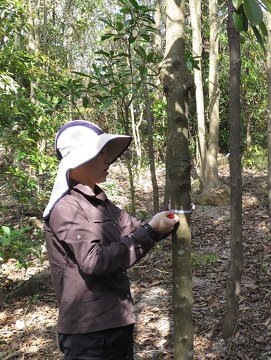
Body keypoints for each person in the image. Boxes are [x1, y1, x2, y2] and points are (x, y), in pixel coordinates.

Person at [43, 120, 179, 359]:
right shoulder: (67, 207)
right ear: (79, 160)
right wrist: (148, 231)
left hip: (117, 321)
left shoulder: (101, 202)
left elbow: (136, 228)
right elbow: (94, 261)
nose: (108, 160)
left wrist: (166, 222)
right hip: (88, 332)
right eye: (100, 153)